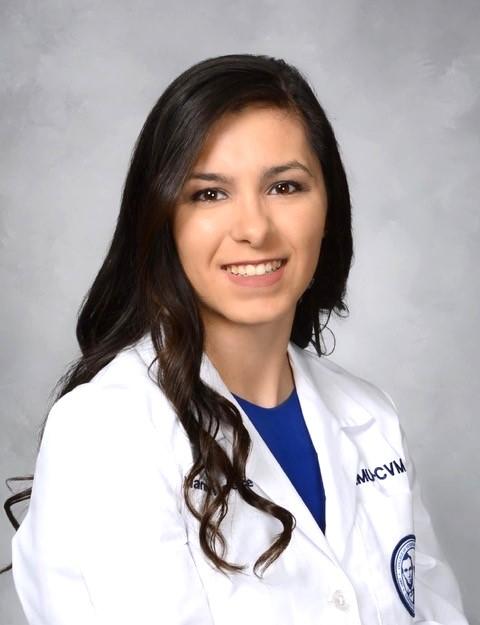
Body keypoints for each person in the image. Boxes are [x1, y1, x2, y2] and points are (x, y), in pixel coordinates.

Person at [3, 53, 469, 624]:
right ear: (161, 220)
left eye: (285, 186)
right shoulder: (107, 429)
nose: (253, 228)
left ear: (330, 207)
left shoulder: (371, 417)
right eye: (209, 194)